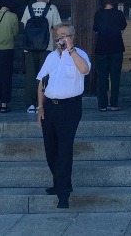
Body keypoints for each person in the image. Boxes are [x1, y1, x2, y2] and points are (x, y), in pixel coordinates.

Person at [36, 22, 90, 210]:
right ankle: (59, 182)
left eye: (65, 35)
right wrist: (40, 107)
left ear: (72, 37)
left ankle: (63, 193)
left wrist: (71, 50)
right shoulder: (51, 57)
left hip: (70, 108)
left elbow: (84, 70)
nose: (61, 38)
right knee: (51, 149)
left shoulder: (79, 54)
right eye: (59, 35)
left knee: (65, 150)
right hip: (50, 107)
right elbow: (42, 82)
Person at [21, 0, 61, 113]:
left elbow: (24, 25)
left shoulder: (29, 8)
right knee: (44, 75)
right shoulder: (52, 8)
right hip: (46, 47)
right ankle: (42, 103)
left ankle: (30, 104)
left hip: (29, 47)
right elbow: (56, 27)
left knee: (30, 76)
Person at [93, 0, 127, 111]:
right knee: (115, 77)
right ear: (114, 1)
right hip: (116, 48)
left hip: (101, 48)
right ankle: (114, 104)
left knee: (102, 77)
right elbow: (122, 29)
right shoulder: (118, 14)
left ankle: (102, 105)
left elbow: (96, 30)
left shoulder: (98, 14)